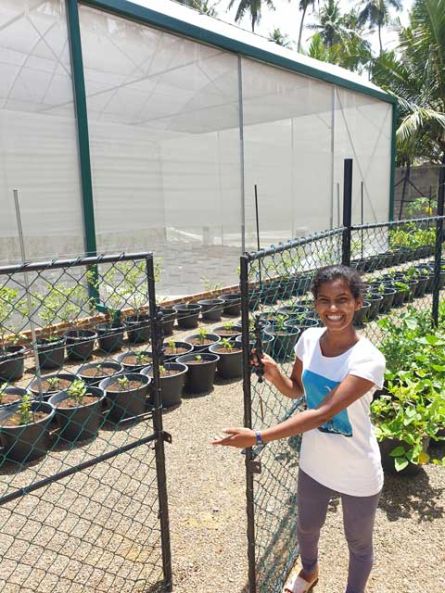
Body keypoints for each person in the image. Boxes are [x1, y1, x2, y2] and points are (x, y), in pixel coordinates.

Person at [212, 265, 385, 593]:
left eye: (342, 300)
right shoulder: (307, 340)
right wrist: (275, 374)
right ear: (315, 303)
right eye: (324, 300)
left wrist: (259, 436)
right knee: (306, 527)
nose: (333, 309)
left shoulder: (367, 359)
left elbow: (321, 412)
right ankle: (309, 572)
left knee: (359, 543)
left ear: (358, 302)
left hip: (357, 465)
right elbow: (297, 389)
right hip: (315, 461)